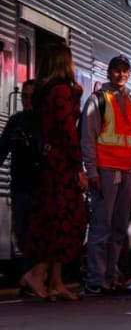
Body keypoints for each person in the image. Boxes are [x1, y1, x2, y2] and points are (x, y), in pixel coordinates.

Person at [19, 44, 87, 301]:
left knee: (54, 221)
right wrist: (78, 167)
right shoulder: (60, 91)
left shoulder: (46, 91)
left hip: (50, 163)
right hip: (60, 165)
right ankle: (38, 273)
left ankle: (57, 281)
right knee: (69, 221)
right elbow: (67, 131)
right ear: (63, 62)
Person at [81, 54, 131, 297]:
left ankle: (110, 278)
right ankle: (96, 280)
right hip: (105, 172)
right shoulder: (98, 100)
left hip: (126, 172)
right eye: (116, 70)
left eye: (124, 70)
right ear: (109, 73)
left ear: (129, 73)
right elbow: (88, 137)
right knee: (101, 227)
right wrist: (92, 171)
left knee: (118, 229)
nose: (121, 74)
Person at [0, 79, 39, 295]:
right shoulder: (16, 122)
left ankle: (29, 278)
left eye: (32, 97)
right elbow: (2, 148)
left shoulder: (44, 123)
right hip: (20, 186)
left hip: (40, 187)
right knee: (22, 232)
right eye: (24, 96)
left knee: (34, 233)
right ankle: (28, 276)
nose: (27, 101)